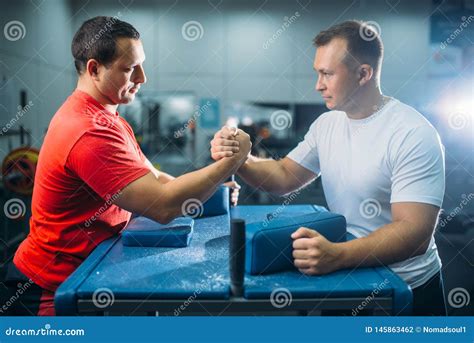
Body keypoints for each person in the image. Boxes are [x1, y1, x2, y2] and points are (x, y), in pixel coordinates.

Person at [3, 16, 251, 316]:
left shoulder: (111, 120)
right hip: (51, 288)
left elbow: (157, 178)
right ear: (94, 69)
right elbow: (162, 206)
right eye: (131, 68)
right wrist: (231, 163)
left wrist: (214, 190)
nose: (143, 78)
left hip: (88, 271)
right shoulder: (87, 130)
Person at [211, 20, 446, 316]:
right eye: (317, 73)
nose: (317, 85)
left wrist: (337, 255)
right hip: (347, 275)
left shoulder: (412, 133)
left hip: (406, 288)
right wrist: (240, 158)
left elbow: (415, 234)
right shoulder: (328, 124)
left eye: (327, 74)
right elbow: (284, 176)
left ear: (363, 74)